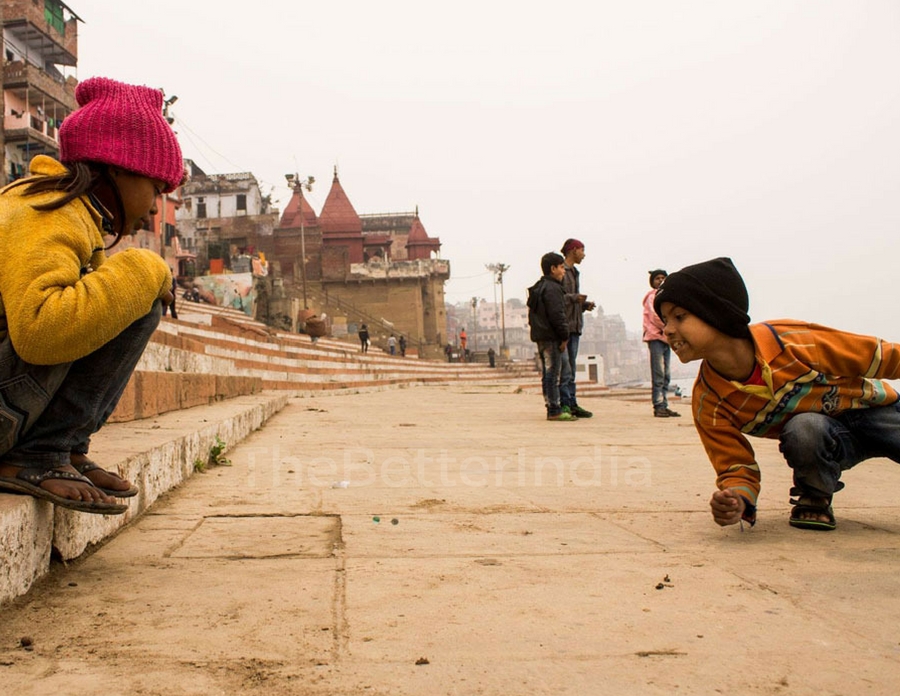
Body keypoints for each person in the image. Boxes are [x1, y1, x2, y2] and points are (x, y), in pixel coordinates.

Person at [0, 76, 184, 514]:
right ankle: (39, 452)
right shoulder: (45, 211)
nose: (156, 208)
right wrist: (145, 268)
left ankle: (65, 447)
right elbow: (40, 330)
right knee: (140, 279)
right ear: (116, 166)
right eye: (156, 189)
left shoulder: (76, 214)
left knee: (134, 294)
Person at [655, 257, 900, 532]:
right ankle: (814, 496)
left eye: (679, 316)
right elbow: (734, 465)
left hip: (877, 411)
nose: (668, 329)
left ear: (717, 314)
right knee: (804, 428)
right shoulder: (709, 400)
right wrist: (737, 499)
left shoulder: (790, 340)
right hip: (826, 436)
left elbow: (878, 356)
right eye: (665, 321)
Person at [527, 252, 577, 421]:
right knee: (553, 373)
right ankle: (554, 408)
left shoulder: (538, 287)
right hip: (551, 337)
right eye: (561, 267)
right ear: (553, 268)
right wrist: (564, 337)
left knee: (549, 372)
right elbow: (558, 316)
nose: (564, 271)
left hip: (541, 336)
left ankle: (551, 405)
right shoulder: (553, 288)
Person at [559, 239, 596, 419]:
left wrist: (583, 305)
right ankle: (564, 404)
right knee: (565, 369)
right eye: (582, 250)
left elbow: (570, 302)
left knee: (571, 369)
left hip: (575, 326)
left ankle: (572, 403)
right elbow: (558, 299)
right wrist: (575, 298)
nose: (584, 254)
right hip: (563, 327)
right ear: (573, 251)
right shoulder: (561, 271)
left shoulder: (574, 272)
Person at [642, 269, 679, 418]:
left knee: (666, 374)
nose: (660, 280)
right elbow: (656, 317)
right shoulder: (652, 297)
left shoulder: (665, 298)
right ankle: (658, 405)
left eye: (663, 278)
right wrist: (668, 326)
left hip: (665, 338)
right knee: (659, 373)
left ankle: (664, 404)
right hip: (655, 337)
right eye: (657, 278)